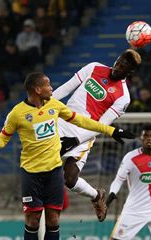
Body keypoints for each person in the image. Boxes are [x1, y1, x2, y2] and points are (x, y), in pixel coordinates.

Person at [0, 72, 134, 240]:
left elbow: (81, 120)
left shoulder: (54, 106)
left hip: (54, 172)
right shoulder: (17, 113)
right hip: (31, 174)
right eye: (46, 84)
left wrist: (111, 130)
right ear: (36, 89)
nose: (50, 86)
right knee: (33, 221)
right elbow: (5, 135)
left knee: (54, 220)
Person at [53, 49, 142, 222]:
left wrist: (76, 140)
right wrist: (45, 104)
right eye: (119, 61)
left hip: (83, 134)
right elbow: (66, 88)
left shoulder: (123, 97)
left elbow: (102, 126)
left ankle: (96, 196)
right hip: (62, 122)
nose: (118, 67)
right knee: (45, 162)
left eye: (124, 66)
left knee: (69, 179)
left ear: (129, 72)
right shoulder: (94, 67)